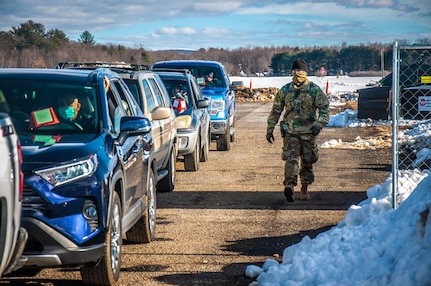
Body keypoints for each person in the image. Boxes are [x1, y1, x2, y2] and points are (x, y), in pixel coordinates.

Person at [266, 58, 329, 202]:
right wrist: (270, 128)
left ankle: (304, 188)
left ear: (305, 72)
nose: (297, 73)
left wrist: (319, 124)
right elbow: (276, 110)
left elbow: (324, 109)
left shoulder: (314, 90)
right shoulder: (285, 90)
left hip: (308, 132)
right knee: (291, 159)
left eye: (299, 71)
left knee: (307, 161)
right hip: (290, 131)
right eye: (294, 71)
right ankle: (289, 185)